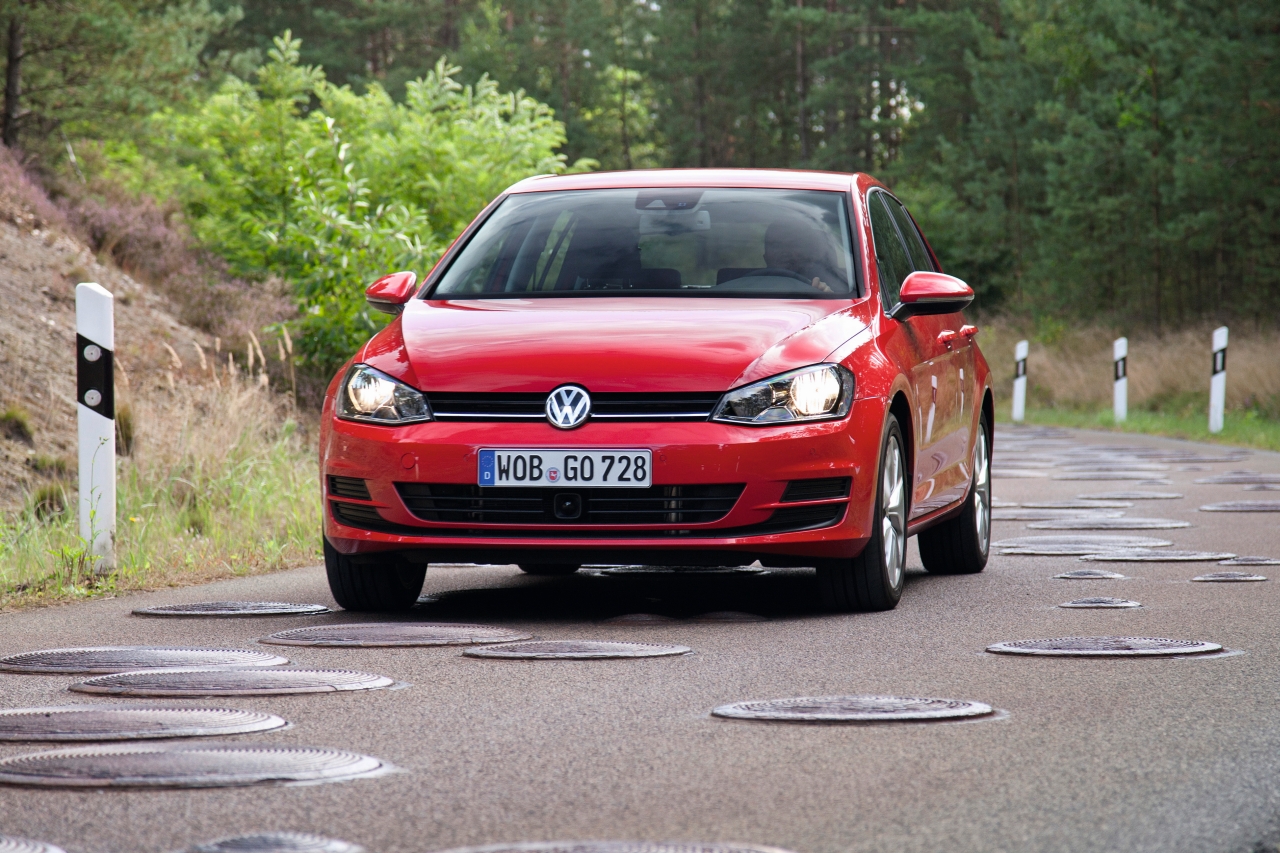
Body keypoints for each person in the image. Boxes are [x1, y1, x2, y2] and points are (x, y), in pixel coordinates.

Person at [763, 218, 841, 292]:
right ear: (765, 257)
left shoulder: (837, 289)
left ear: (810, 258)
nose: (784, 252)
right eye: (776, 245)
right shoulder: (755, 290)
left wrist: (825, 296)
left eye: (794, 245)